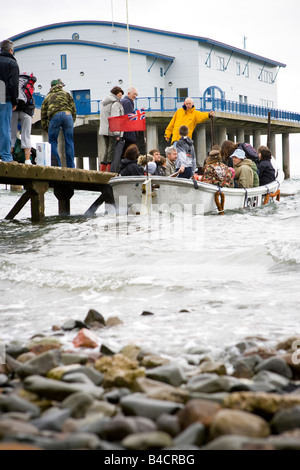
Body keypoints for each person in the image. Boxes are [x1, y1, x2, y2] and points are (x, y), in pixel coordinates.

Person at [41, 79, 77, 168]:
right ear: (59, 86)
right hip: (67, 115)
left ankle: (56, 165)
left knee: (52, 141)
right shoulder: (66, 94)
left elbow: (43, 115)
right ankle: (71, 166)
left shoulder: (48, 96)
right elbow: (73, 108)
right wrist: (72, 120)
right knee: (69, 141)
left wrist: (46, 128)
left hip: (54, 116)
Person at [11, 73, 37, 165]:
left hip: (14, 109)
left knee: (11, 135)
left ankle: (9, 159)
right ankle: (27, 160)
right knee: (26, 135)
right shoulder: (29, 83)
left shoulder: (14, 80)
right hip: (26, 111)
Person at [0, 40, 19, 162]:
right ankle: (6, 156)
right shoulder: (12, 63)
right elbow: (13, 84)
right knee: (5, 127)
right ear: (11, 50)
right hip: (4, 98)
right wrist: (14, 101)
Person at [99, 86, 124, 172]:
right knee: (111, 150)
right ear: (116, 94)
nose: (121, 97)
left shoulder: (106, 102)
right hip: (111, 130)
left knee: (107, 150)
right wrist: (117, 133)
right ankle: (109, 171)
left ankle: (102, 170)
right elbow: (115, 118)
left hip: (104, 130)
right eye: (120, 95)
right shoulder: (115, 103)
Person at [121, 86, 138, 153]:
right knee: (130, 152)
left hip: (125, 134)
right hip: (129, 135)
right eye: (134, 94)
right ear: (128, 93)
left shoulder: (123, 101)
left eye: (136, 94)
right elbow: (129, 118)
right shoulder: (127, 102)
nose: (135, 96)